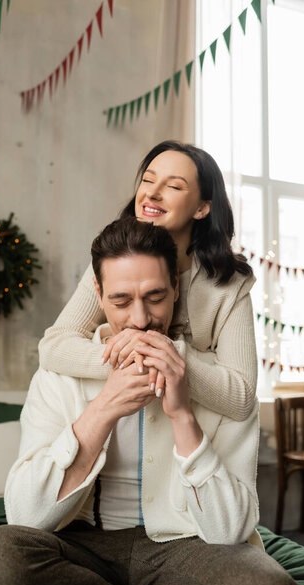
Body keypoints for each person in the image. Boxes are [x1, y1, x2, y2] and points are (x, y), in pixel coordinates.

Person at [0, 218, 304, 585]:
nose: (140, 320)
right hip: (78, 548)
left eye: (155, 297)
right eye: (121, 301)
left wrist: (182, 416)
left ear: (176, 287)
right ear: (98, 292)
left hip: (186, 549)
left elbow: (230, 531)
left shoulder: (223, 387)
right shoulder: (59, 374)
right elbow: (27, 517)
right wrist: (104, 408)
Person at [38, 140, 257, 422]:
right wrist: (130, 355)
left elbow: (241, 398)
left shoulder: (230, 284)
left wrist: (170, 357)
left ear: (202, 208)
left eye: (174, 186)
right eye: (148, 180)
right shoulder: (113, 263)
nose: (152, 194)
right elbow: (53, 347)